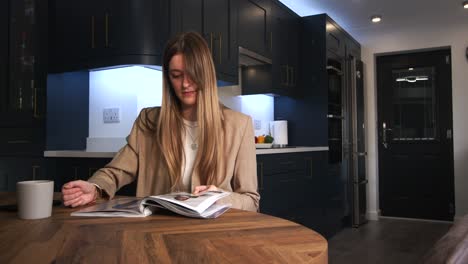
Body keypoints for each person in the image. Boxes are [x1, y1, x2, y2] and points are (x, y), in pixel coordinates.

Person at [61, 32, 259, 212]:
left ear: (206, 74)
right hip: (156, 232)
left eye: (192, 74)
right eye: (176, 75)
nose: (185, 84)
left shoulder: (239, 125)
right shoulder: (148, 121)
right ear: (168, 79)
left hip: (212, 234)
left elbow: (251, 201)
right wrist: (94, 188)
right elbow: (115, 172)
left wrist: (221, 198)